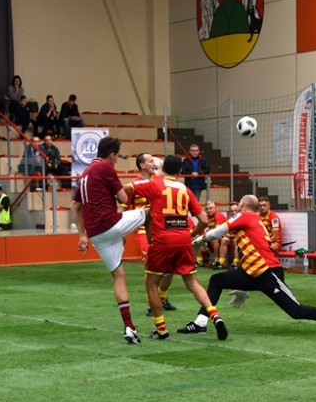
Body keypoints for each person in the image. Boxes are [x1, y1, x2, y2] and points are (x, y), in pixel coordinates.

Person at [179, 194, 316, 335]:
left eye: (238, 206)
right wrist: (243, 286)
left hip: (268, 272)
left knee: (296, 311)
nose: (235, 209)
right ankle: (201, 322)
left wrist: (198, 240)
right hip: (254, 272)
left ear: (243, 205)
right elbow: (251, 251)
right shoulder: (252, 220)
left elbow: (216, 232)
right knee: (217, 280)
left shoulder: (245, 216)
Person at [128, 154, 226, 340]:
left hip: (162, 240)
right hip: (183, 239)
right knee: (193, 282)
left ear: (163, 168)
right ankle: (215, 315)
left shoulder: (155, 183)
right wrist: (192, 233)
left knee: (151, 283)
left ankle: (161, 330)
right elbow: (204, 220)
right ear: (180, 171)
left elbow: (127, 190)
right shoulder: (185, 189)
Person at [69, 135, 147, 344]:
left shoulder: (85, 173)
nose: (117, 160)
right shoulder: (105, 168)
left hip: (96, 234)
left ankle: (129, 327)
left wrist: (82, 235)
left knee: (119, 275)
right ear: (112, 155)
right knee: (150, 212)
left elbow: (74, 206)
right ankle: (160, 251)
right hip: (109, 223)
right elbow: (124, 198)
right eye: (117, 157)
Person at [127, 153, 177, 313]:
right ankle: (151, 304)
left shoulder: (159, 181)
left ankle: (162, 298)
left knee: (171, 264)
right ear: (142, 166)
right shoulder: (134, 185)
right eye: (150, 161)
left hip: (161, 228)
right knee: (151, 264)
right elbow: (123, 207)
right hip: (142, 228)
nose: (154, 163)